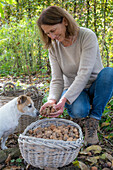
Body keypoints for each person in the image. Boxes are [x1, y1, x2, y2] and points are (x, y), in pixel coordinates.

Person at [37, 6, 113, 146]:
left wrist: (64, 99)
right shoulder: (53, 47)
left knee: (110, 72)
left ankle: (93, 120)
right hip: (73, 89)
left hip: (96, 86)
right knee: (79, 110)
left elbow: (84, 73)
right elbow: (57, 79)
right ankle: (80, 116)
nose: (52, 37)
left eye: (53, 31)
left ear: (65, 21)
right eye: (47, 33)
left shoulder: (87, 36)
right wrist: (52, 100)